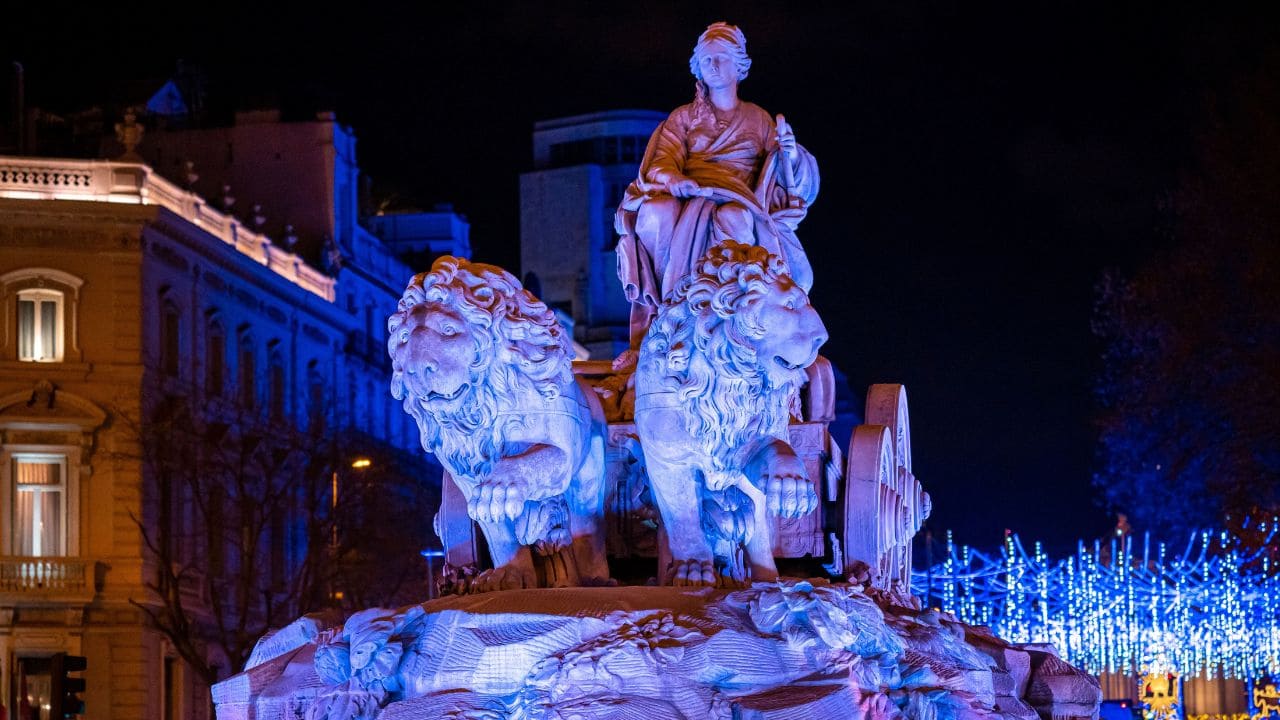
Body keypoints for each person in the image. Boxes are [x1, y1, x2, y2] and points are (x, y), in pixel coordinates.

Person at [614, 22, 821, 355]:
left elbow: (786, 175)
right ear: (698, 66)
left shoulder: (758, 119)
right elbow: (661, 161)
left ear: (739, 65)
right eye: (707, 59)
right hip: (692, 194)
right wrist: (675, 180)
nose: (713, 65)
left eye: (721, 57)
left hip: (740, 199)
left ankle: (732, 314)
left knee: (734, 217)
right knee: (655, 211)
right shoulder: (683, 117)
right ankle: (669, 309)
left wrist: (791, 153)